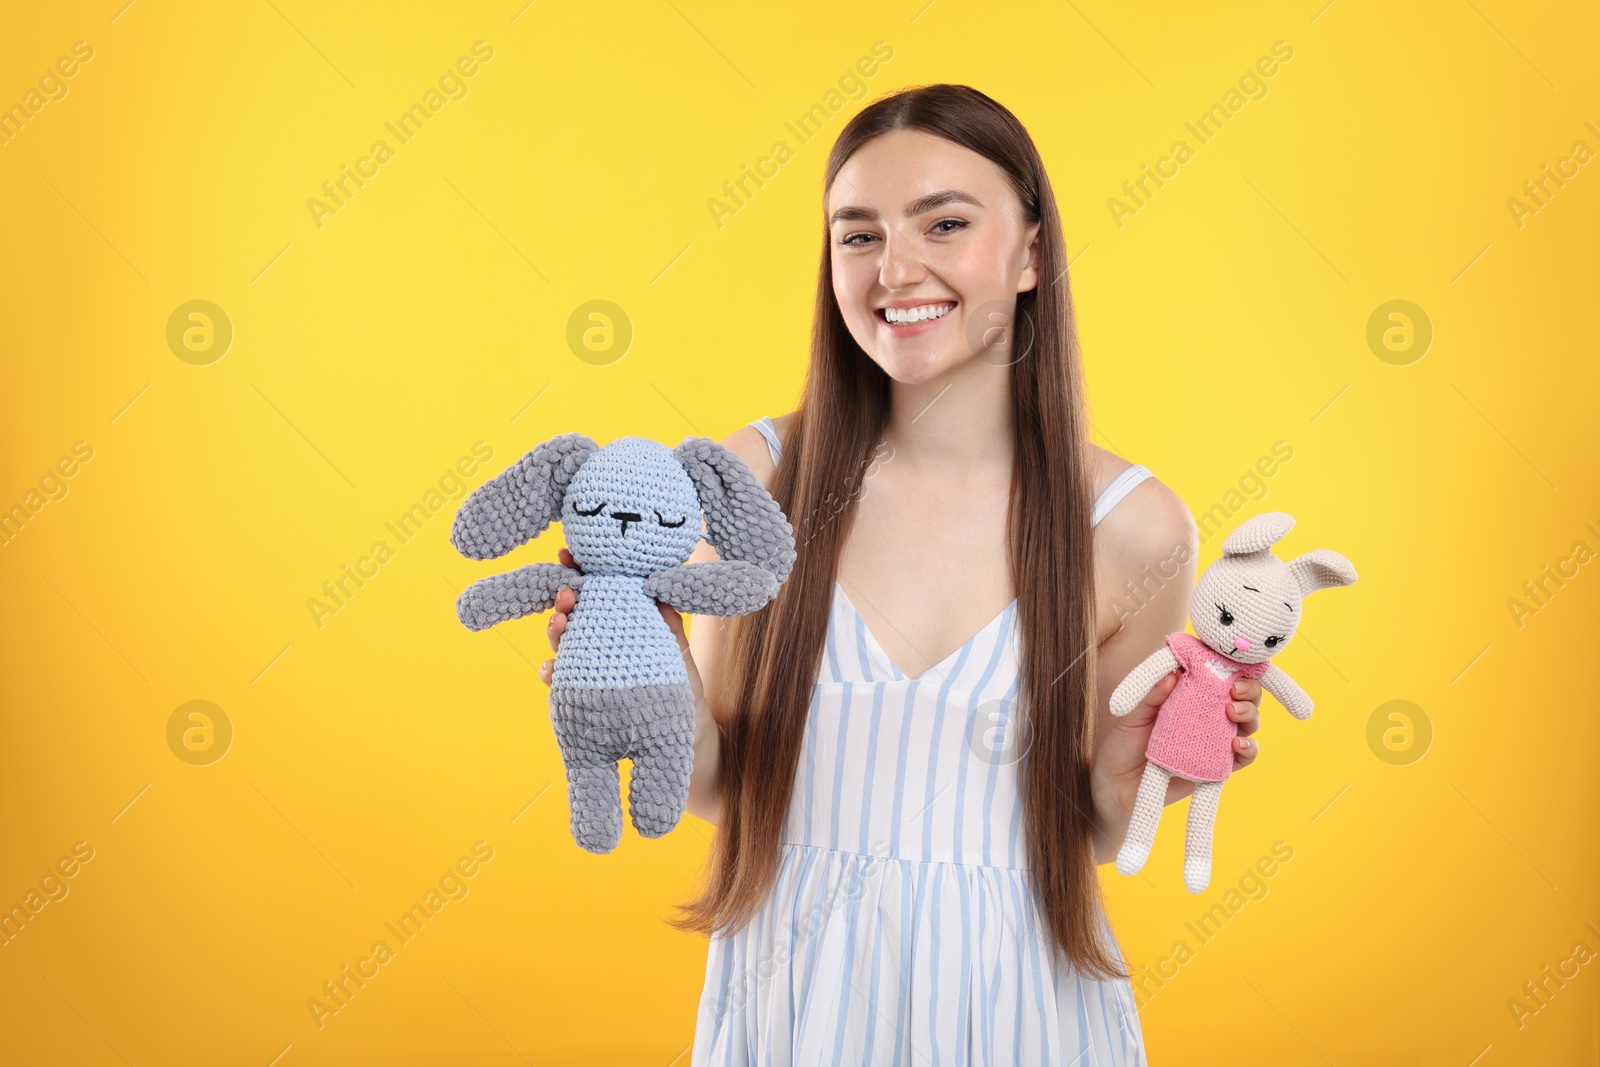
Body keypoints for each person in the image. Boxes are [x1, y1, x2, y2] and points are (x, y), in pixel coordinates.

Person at [536, 83, 1265, 1065]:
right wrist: (655, 698)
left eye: (945, 223)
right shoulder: (745, 482)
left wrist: (1154, 772)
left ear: (1032, 252)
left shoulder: (1131, 526)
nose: (895, 268)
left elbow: (1089, 826)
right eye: (858, 234)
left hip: (1021, 1010)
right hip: (788, 1003)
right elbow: (721, 791)